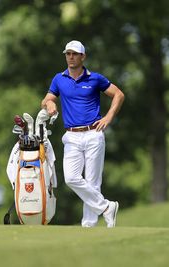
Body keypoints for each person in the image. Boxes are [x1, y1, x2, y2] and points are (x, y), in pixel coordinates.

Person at [41, 40, 125, 227]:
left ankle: (89, 224)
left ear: (82, 57)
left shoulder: (95, 78)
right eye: (68, 54)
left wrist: (108, 118)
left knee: (93, 181)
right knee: (71, 178)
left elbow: (118, 94)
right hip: (71, 136)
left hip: (94, 134)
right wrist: (50, 104)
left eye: (74, 54)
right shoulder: (59, 79)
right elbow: (46, 99)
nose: (70, 57)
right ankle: (106, 207)